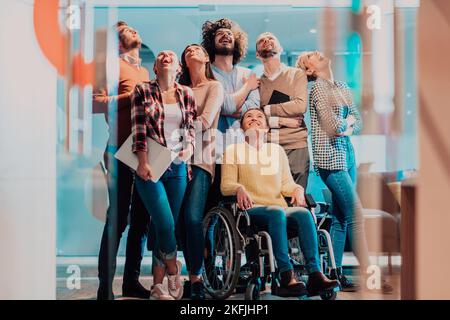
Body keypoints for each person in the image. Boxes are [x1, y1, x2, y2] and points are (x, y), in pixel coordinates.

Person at [296, 51, 393, 293]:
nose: (318, 53)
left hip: (347, 155)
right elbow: (333, 125)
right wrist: (347, 123)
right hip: (330, 159)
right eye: (311, 55)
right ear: (309, 69)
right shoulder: (317, 88)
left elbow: (357, 121)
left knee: (340, 219)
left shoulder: (340, 85)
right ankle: (370, 274)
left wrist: (347, 125)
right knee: (355, 215)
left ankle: (335, 273)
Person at [221, 108, 340, 297]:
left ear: (267, 128)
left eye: (260, 116)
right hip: (253, 210)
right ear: (242, 128)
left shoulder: (276, 151)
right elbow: (225, 185)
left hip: (278, 209)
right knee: (277, 212)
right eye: (249, 117)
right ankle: (285, 275)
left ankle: (315, 274)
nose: (254, 119)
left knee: (302, 213)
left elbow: (286, 184)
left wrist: (297, 189)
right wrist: (238, 188)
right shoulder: (233, 151)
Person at [131, 50, 197, 300]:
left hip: (178, 166)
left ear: (178, 68)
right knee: (165, 223)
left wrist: (189, 148)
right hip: (150, 166)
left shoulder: (186, 93)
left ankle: (158, 286)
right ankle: (173, 268)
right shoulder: (143, 90)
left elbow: (190, 127)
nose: (166, 56)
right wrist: (143, 161)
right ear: (156, 68)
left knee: (162, 227)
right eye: (161, 56)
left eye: (170, 55)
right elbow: (138, 128)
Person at [92, 21, 150, 300]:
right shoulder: (109, 66)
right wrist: (131, 96)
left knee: (141, 218)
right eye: (126, 30)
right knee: (117, 218)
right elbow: (94, 102)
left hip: (144, 151)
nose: (134, 31)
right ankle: (105, 286)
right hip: (118, 148)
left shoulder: (144, 70)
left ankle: (131, 282)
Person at [177, 44, 224, 300]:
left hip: (201, 159)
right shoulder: (178, 89)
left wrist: (173, 128)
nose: (191, 51)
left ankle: (196, 279)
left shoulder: (214, 87)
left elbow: (205, 121)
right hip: (174, 161)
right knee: (179, 225)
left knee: (193, 218)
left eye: (196, 48)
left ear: (206, 58)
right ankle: (195, 271)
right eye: (187, 50)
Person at [201, 18, 260, 210]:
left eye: (229, 33)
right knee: (211, 210)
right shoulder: (206, 72)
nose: (225, 35)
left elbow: (252, 109)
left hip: (241, 152)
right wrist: (246, 88)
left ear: (237, 42)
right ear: (211, 42)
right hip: (213, 152)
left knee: (243, 211)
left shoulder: (247, 73)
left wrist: (230, 105)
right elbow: (226, 106)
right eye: (219, 34)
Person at [256, 32, 310, 189]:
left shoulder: (296, 75)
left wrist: (267, 109)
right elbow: (255, 117)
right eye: (261, 40)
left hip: (296, 144)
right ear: (258, 54)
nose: (267, 40)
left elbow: (300, 106)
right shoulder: (257, 83)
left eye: (271, 38)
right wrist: (281, 120)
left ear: (280, 49)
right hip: (269, 145)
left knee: (297, 200)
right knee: (271, 198)